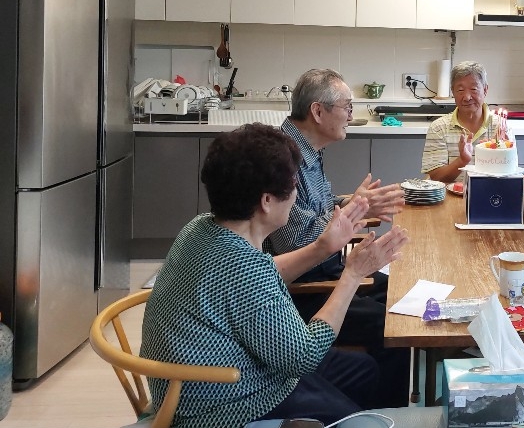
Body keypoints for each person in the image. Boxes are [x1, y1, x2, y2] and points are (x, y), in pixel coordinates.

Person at [140, 123, 409, 426]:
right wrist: (353, 274)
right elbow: (306, 356)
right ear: (266, 201)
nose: (295, 196)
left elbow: (265, 270)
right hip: (226, 404)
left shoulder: (200, 228)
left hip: (227, 372)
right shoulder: (245, 269)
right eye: (293, 186)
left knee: (365, 370)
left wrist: (323, 246)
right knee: (355, 415)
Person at [264, 68, 409, 408]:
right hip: (302, 287)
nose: (351, 115)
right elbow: (294, 242)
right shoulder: (284, 158)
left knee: (398, 292)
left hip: (325, 270)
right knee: (391, 325)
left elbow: (318, 209)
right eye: (347, 106)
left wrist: (350, 203)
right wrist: (352, 212)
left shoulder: (307, 148)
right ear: (318, 111)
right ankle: (387, 412)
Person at [421, 61, 504, 183]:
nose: (467, 97)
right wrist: (462, 161)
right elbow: (436, 177)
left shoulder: (500, 127)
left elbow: (508, 176)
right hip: (450, 195)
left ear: (485, 90)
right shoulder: (439, 128)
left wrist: (503, 156)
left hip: (491, 192)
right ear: (452, 92)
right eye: (460, 90)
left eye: (474, 89)